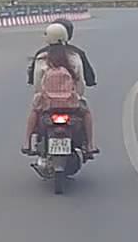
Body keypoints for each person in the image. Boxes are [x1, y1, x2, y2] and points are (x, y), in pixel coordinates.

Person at [23, 23, 98, 156]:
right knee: (86, 113)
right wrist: (77, 96)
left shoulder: (41, 57)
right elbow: (80, 80)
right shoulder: (74, 55)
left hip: (47, 103)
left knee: (34, 111)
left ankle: (27, 143)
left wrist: (41, 96)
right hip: (71, 103)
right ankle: (90, 145)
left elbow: (37, 83)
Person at [27, 18, 95, 88]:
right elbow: (88, 79)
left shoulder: (41, 54)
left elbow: (34, 80)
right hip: (71, 93)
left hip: (46, 93)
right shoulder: (76, 54)